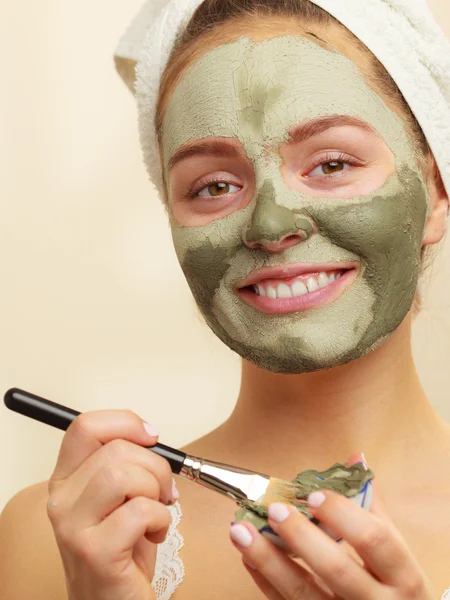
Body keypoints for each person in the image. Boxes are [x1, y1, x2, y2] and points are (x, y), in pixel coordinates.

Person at [1, 0, 450, 598]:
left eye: (332, 163)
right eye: (214, 186)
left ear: (437, 191)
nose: (270, 224)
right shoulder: (61, 541)